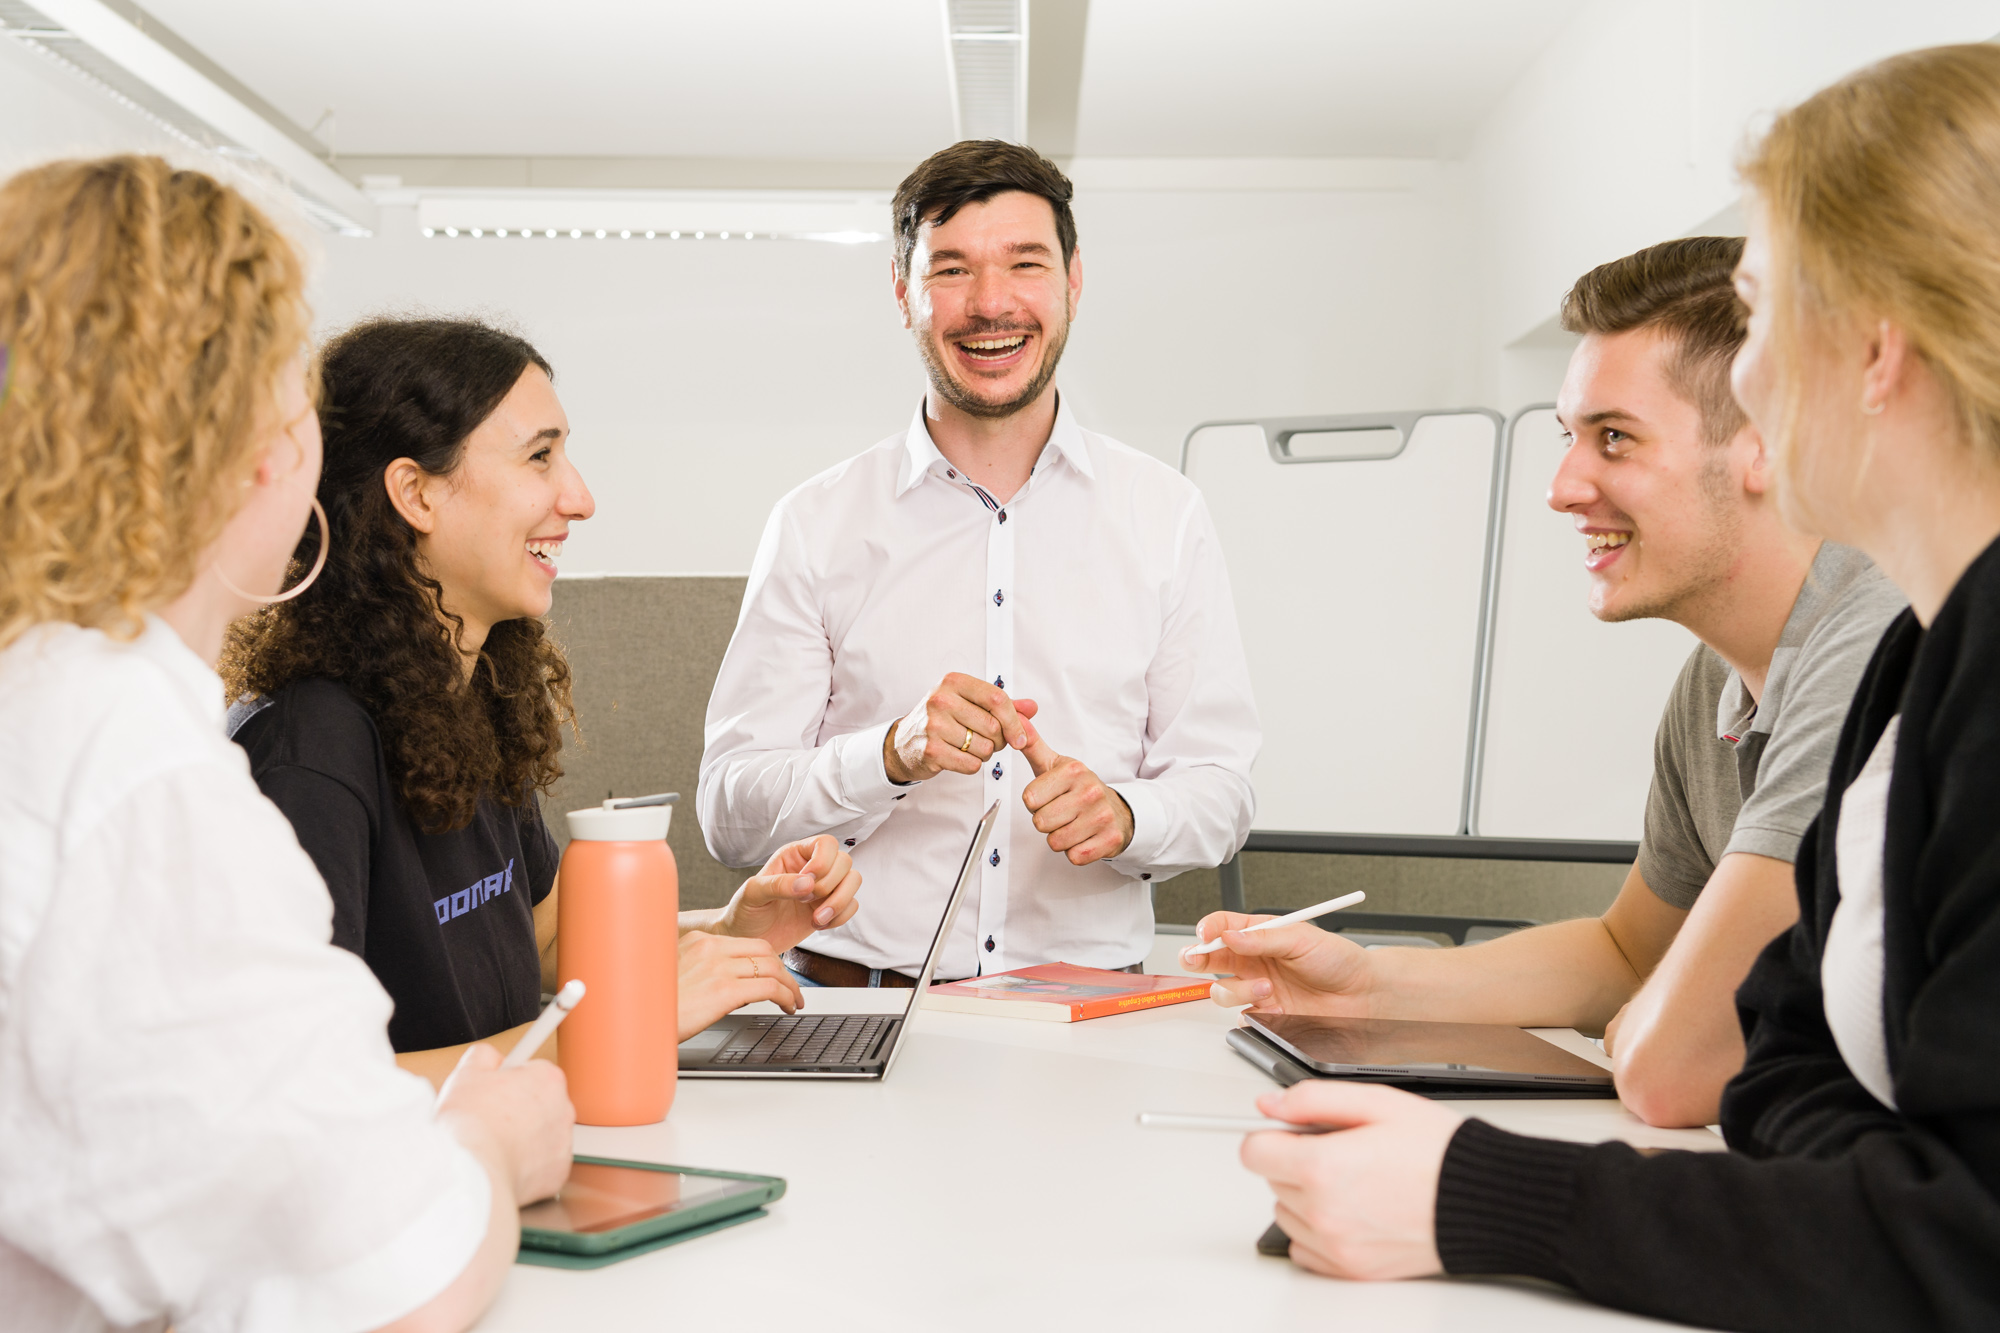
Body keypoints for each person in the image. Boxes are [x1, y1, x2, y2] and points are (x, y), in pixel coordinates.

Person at [1230, 43, 2000, 1331]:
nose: (1750, 374)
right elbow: (1776, 1069)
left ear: (1875, 348)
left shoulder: (1900, 650)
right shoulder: (1922, 661)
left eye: (1766, 315)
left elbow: (1954, 1233)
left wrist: (1472, 1191)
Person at [0, 156, 570, 1332]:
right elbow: (389, 1279)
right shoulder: (137, 769)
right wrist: (489, 1140)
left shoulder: (49, 703)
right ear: (263, 446)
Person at [1185, 235, 1906, 1127]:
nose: (1563, 487)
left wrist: (1659, 1022)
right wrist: (1367, 980)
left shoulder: (1876, 642)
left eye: (1614, 438)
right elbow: (1627, 952)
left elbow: (1673, 1068)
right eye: (1571, 437)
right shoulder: (1710, 687)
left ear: (1763, 444)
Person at [223, 317, 862, 1086]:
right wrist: (624, 1027)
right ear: (415, 493)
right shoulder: (307, 754)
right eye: (540, 457)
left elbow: (545, 937)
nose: (580, 497)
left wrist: (731, 931)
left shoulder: (465, 693)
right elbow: (305, 1084)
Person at [697, 140, 1259, 986]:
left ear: (1073, 281)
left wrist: (1127, 812)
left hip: (1091, 1014)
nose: (991, 304)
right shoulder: (816, 523)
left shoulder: (1165, 513)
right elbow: (728, 812)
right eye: (951, 270)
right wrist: (887, 753)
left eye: (1024, 263)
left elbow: (1222, 789)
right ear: (902, 294)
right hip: (854, 1005)